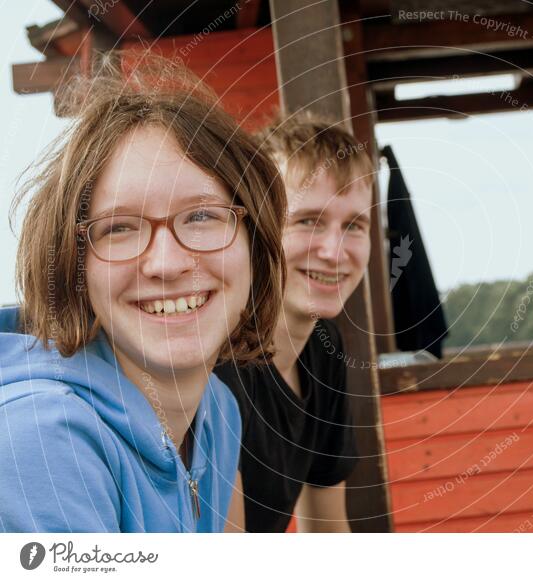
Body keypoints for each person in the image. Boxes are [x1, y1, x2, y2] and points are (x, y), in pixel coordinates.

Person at [0, 53, 286, 532]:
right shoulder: (40, 441)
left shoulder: (217, 410)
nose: (167, 263)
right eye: (119, 228)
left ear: (254, 247)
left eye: (201, 216)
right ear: (74, 267)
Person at [214, 113, 374, 532]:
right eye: (307, 221)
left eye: (354, 225)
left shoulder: (324, 349)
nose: (334, 250)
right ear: (255, 227)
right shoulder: (214, 364)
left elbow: (326, 533)